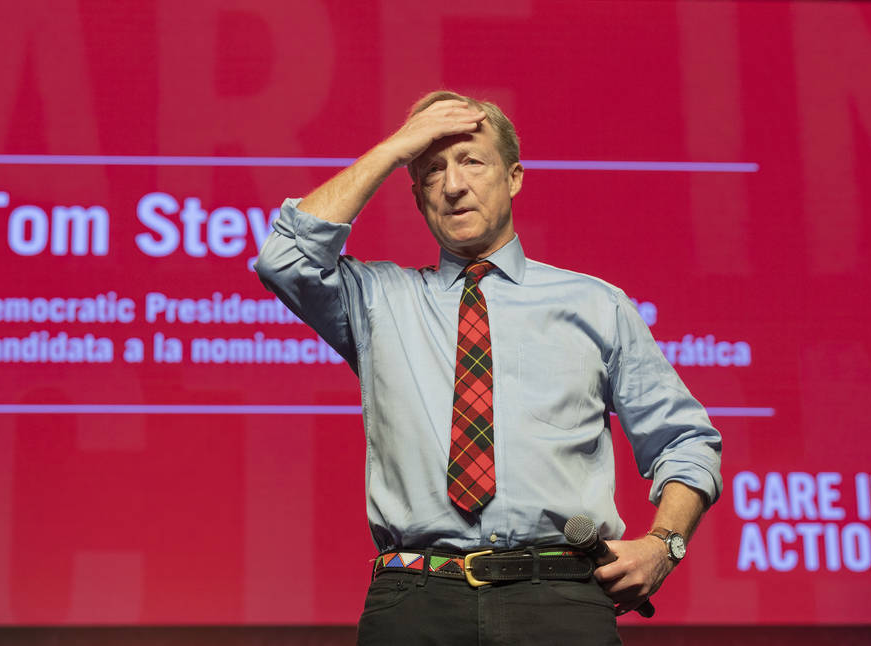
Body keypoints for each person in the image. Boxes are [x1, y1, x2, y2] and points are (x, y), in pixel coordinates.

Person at [254, 91, 722, 645]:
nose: (452, 186)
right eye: (431, 171)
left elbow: (685, 441)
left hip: (560, 598)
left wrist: (663, 545)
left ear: (515, 177)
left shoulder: (597, 305)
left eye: (471, 161)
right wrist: (394, 148)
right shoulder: (379, 299)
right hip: (415, 602)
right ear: (416, 193)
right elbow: (285, 258)